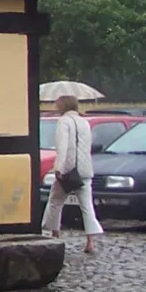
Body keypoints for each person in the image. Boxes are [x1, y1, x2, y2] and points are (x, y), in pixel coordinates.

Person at [42, 95, 102, 254]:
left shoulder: (63, 122)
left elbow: (62, 147)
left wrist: (58, 168)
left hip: (68, 170)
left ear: (63, 106)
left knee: (55, 202)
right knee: (87, 206)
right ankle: (91, 241)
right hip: (84, 170)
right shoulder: (85, 122)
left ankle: (54, 235)